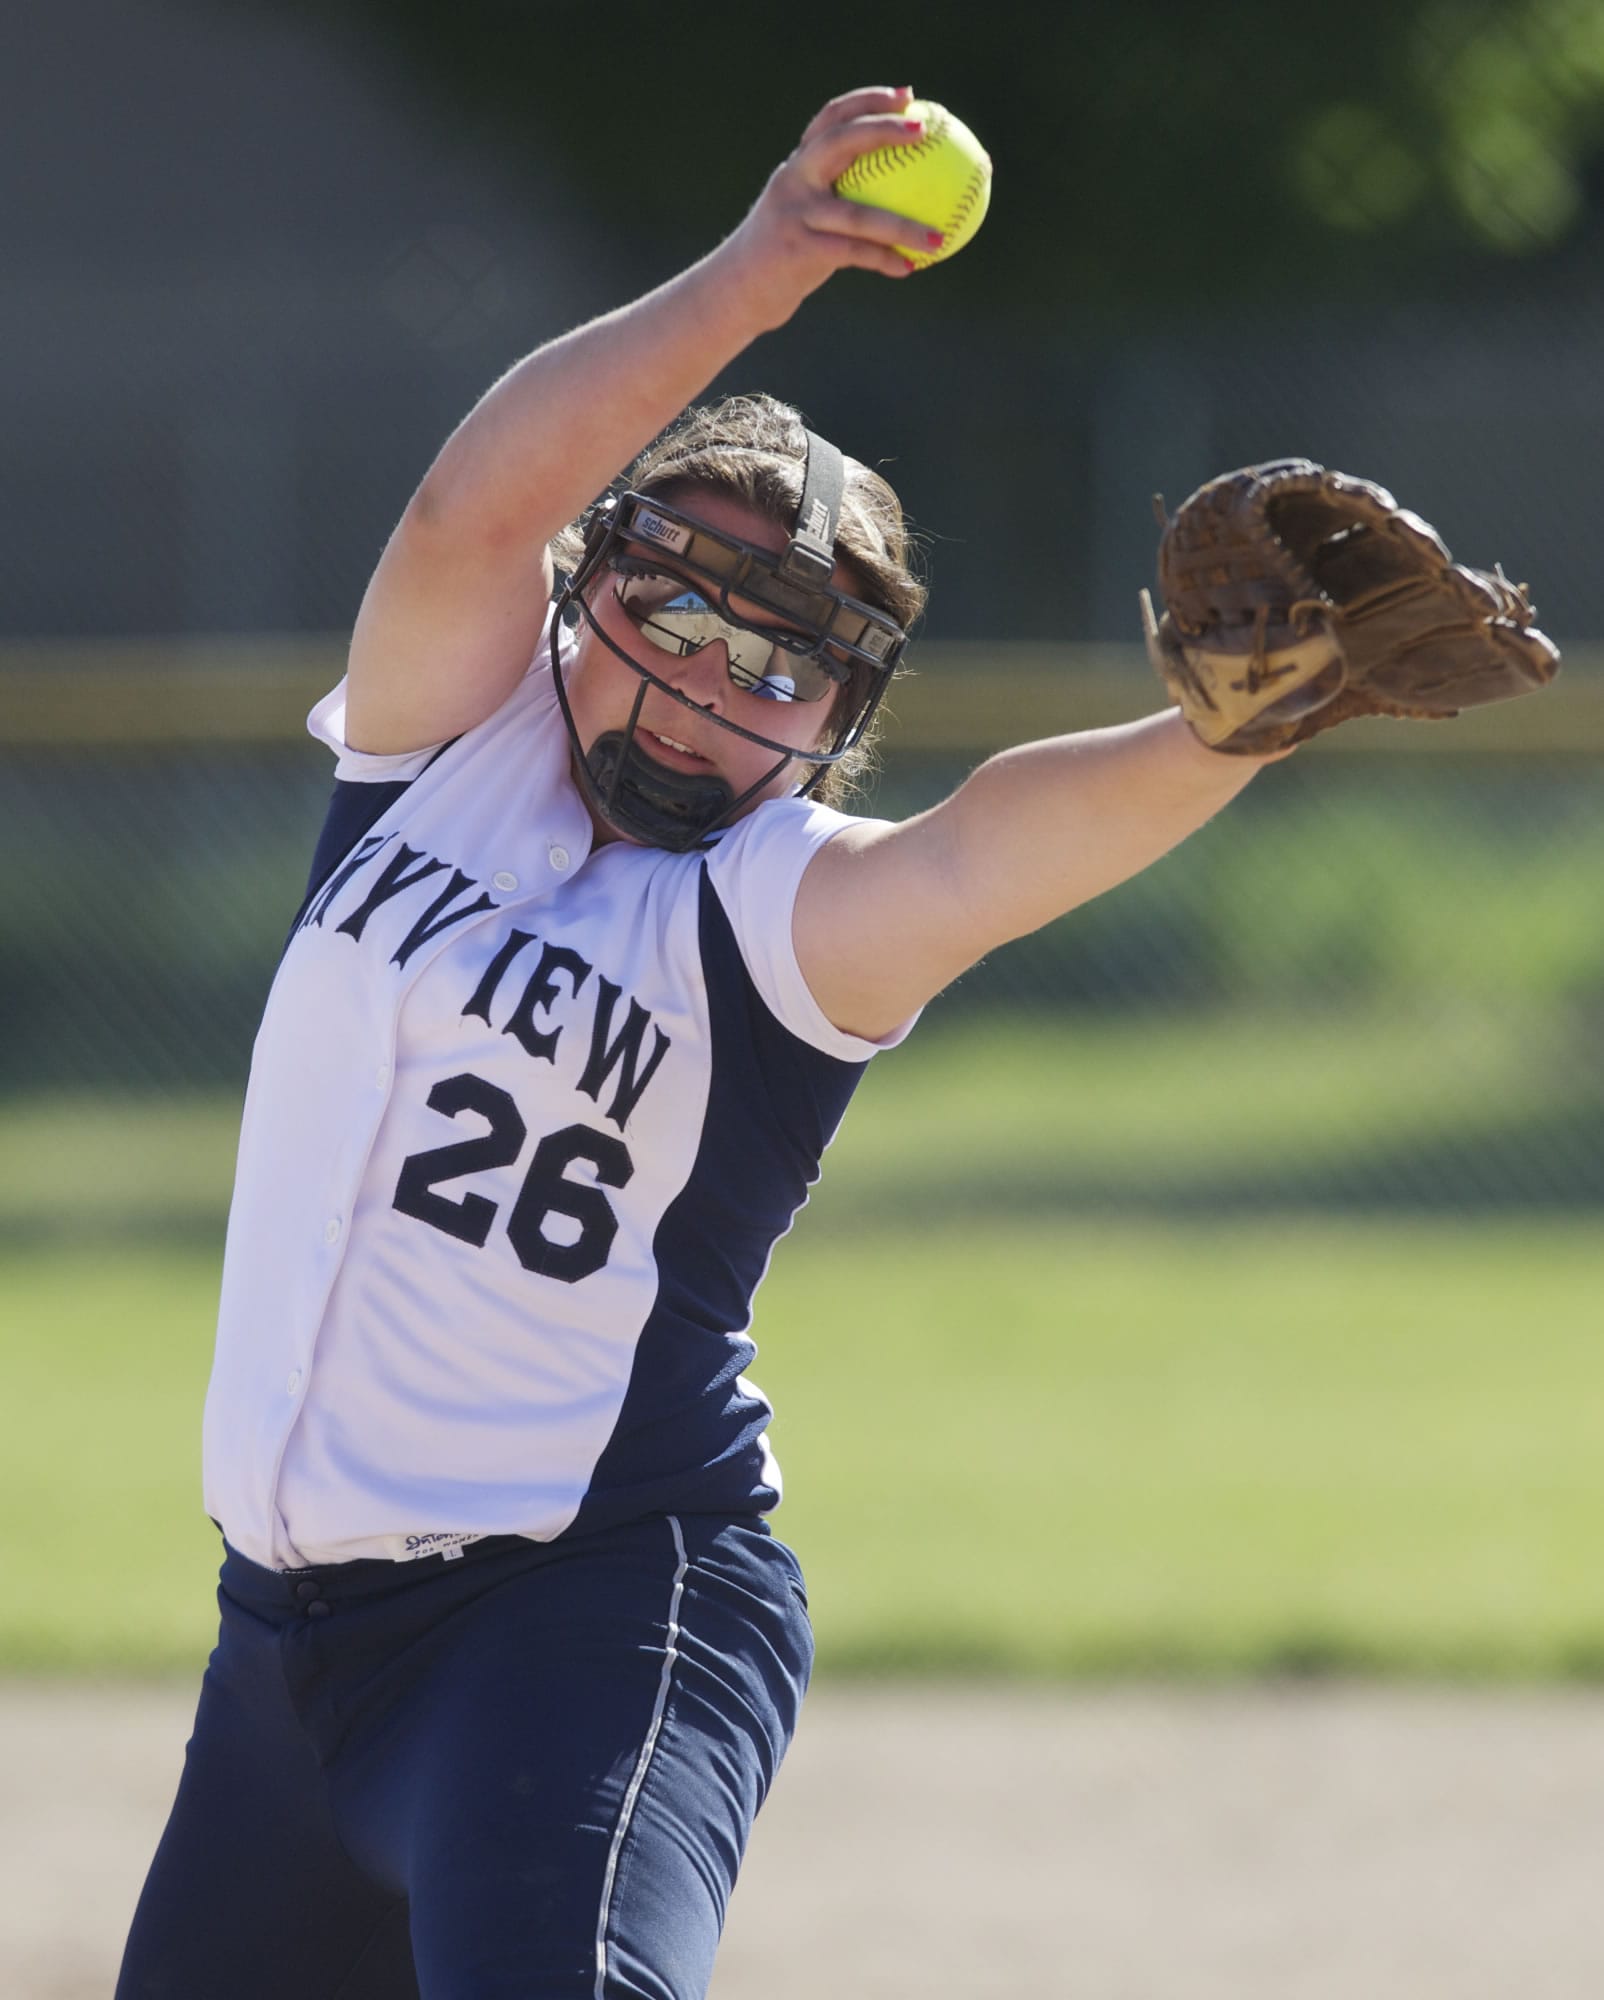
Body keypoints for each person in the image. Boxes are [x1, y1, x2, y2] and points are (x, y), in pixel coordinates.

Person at [116, 84, 1286, 2000]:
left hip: (583, 1627)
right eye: (669, 609)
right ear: (581, 595)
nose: (705, 696)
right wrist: (763, 266)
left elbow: (991, 845)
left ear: (834, 722)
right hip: (278, 1664)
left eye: (780, 667)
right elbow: (463, 508)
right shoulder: (437, 764)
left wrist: (1226, 734)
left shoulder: (774, 910)